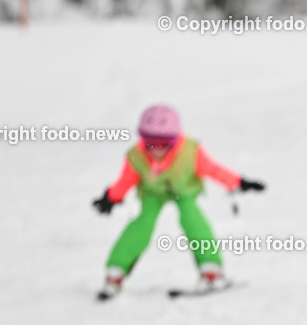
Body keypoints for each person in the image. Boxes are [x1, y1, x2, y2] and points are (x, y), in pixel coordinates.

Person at [91, 104, 265, 300]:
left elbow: (213, 170)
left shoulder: (190, 151)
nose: (156, 149)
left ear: (174, 140)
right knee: (143, 223)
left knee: (192, 219)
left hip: (185, 191)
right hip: (152, 193)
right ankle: (116, 271)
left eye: (163, 143)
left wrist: (238, 182)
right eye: (150, 143)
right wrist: (111, 198)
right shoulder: (136, 156)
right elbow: (125, 181)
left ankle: (211, 269)